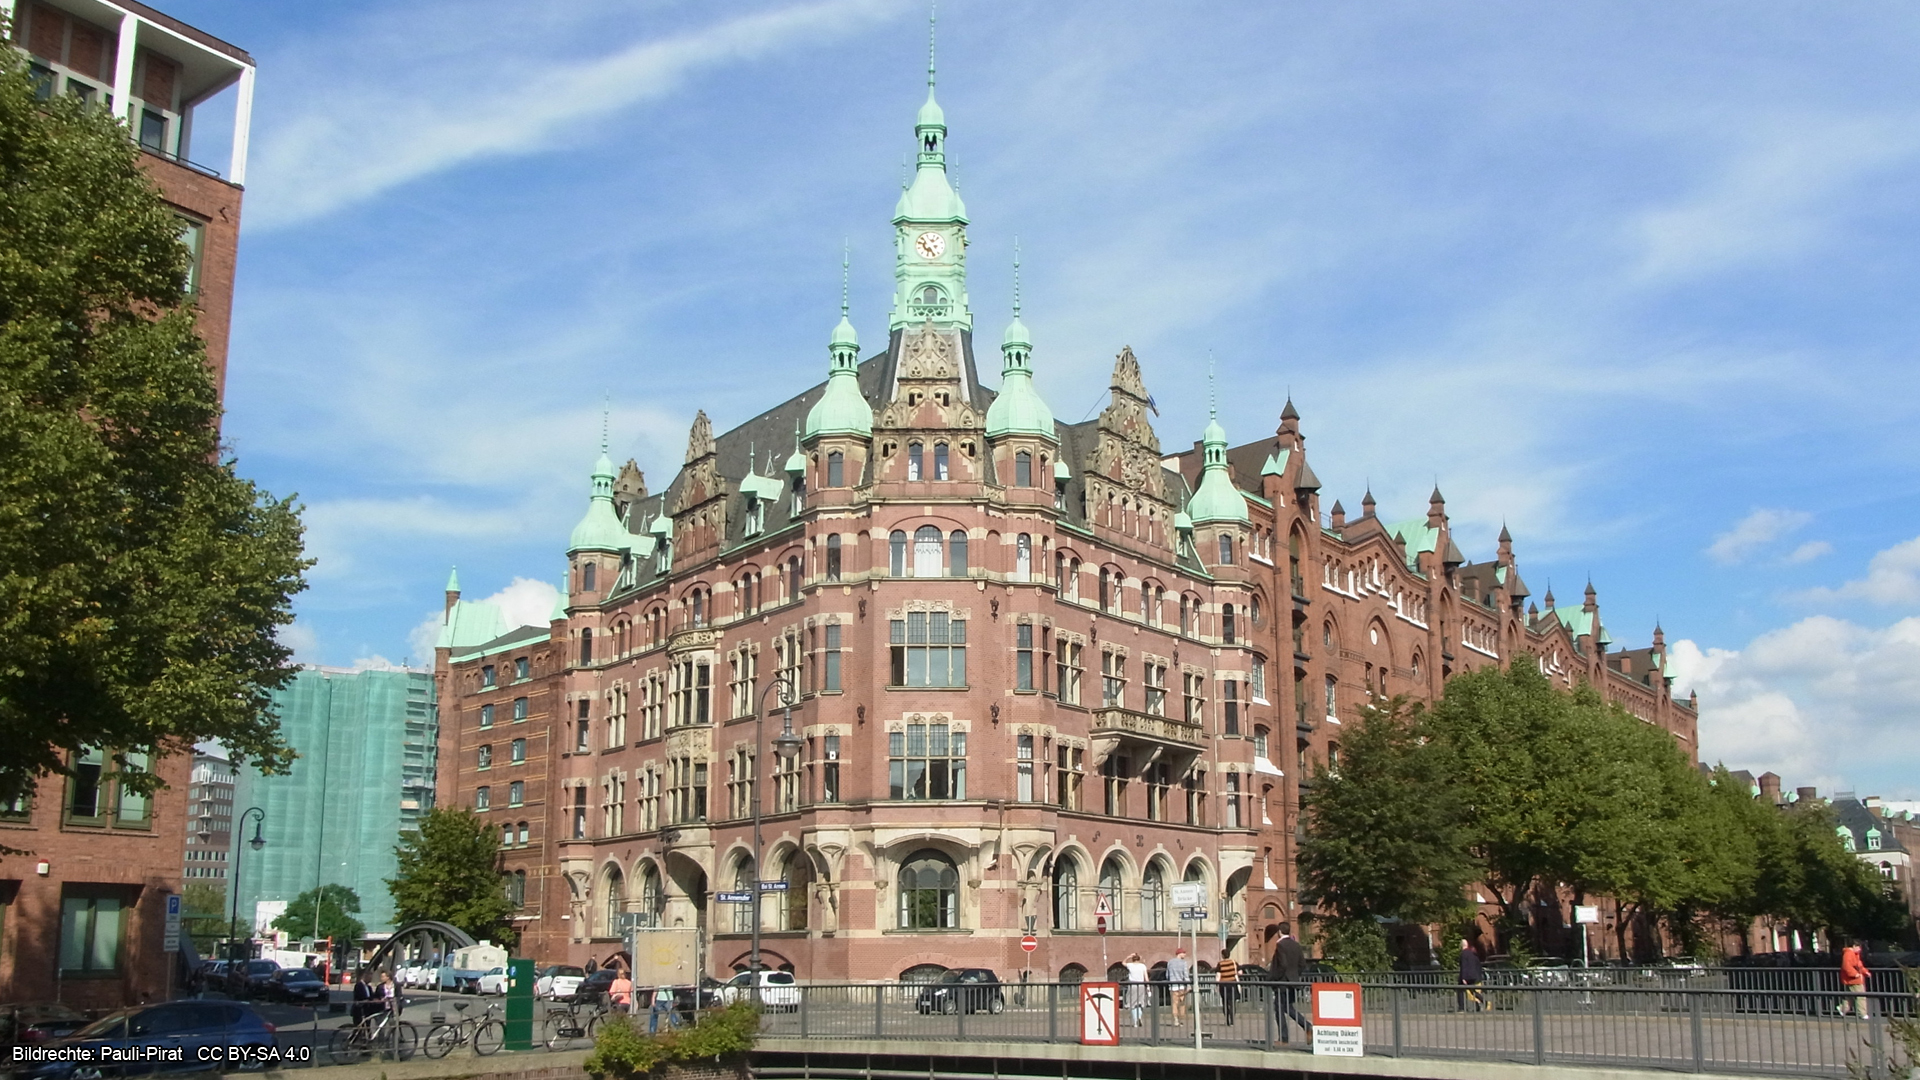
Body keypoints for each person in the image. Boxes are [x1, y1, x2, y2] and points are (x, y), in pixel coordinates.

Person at [1270, 923, 1311, 1043]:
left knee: (1279, 1008)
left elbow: (1282, 965)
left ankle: (1284, 1038)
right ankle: (1307, 1026)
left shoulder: (1280, 945)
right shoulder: (1296, 945)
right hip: (1293, 982)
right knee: (1288, 1007)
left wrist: (1274, 978)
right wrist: (1294, 976)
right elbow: (1302, 964)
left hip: (1282, 983)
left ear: (1279, 932)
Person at [1840, 944, 1870, 1018]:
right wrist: (1854, 974)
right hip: (1854, 979)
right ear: (1854, 946)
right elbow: (1846, 966)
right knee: (1860, 996)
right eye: (1859, 947)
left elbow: (1859, 966)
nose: (1860, 949)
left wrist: (1865, 972)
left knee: (1850, 997)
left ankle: (1842, 1009)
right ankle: (1862, 1013)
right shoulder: (1849, 954)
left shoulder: (1854, 954)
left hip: (1853, 979)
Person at [1456, 939, 1485, 1012]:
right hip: (1473, 975)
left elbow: (1464, 966)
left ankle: (1461, 1008)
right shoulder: (1472, 954)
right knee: (1473, 990)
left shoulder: (1463, 954)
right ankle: (1484, 1002)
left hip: (1466, 976)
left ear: (1461, 946)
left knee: (1460, 990)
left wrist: (1463, 978)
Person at [1123, 954, 1149, 1028]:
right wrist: (1148, 986)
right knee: (1140, 1003)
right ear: (1139, 959)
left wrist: (1128, 956)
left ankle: (1135, 1021)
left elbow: (1123, 963)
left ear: (1133, 959)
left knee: (1132, 1003)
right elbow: (1146, 977)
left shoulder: (1130, 965)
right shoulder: (1143, 966)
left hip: (1132, 985)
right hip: (1141, 985)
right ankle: (1139, 1016)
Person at [1166, 948, 1191, 1025]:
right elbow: (1185, 975)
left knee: (1174, 1003)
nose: (1185, 955)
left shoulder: (1170, 962)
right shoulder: (1184, 963)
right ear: (1180, 954)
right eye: (1184, 953)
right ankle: (1181, 1019)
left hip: (1172, 985)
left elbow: (1167, 974)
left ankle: (1175, 1019)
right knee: (1182, 1003)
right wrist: (1188, 985)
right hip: (1181, 985)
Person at [1215, 952, 1239, 1026]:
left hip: (1223, 985)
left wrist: (1216, 985)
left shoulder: (1220, 964)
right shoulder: (1234, 962)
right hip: (1233, 984)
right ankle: (1232, 1020)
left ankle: (1227, 1020)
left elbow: (1218, 975)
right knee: (1232, 1003)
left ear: (1222, 955)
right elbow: (1239, 971)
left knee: (1225, 1002)